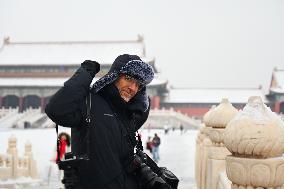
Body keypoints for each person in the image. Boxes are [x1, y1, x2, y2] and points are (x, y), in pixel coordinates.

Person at [45, 54, 171, 189]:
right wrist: (85, 74)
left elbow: (141, 112)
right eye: (128, 79)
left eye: (138, 85)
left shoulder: (127, 115)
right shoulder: (89, 103)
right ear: (114, 76)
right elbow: (56, 110)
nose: (133, 88)